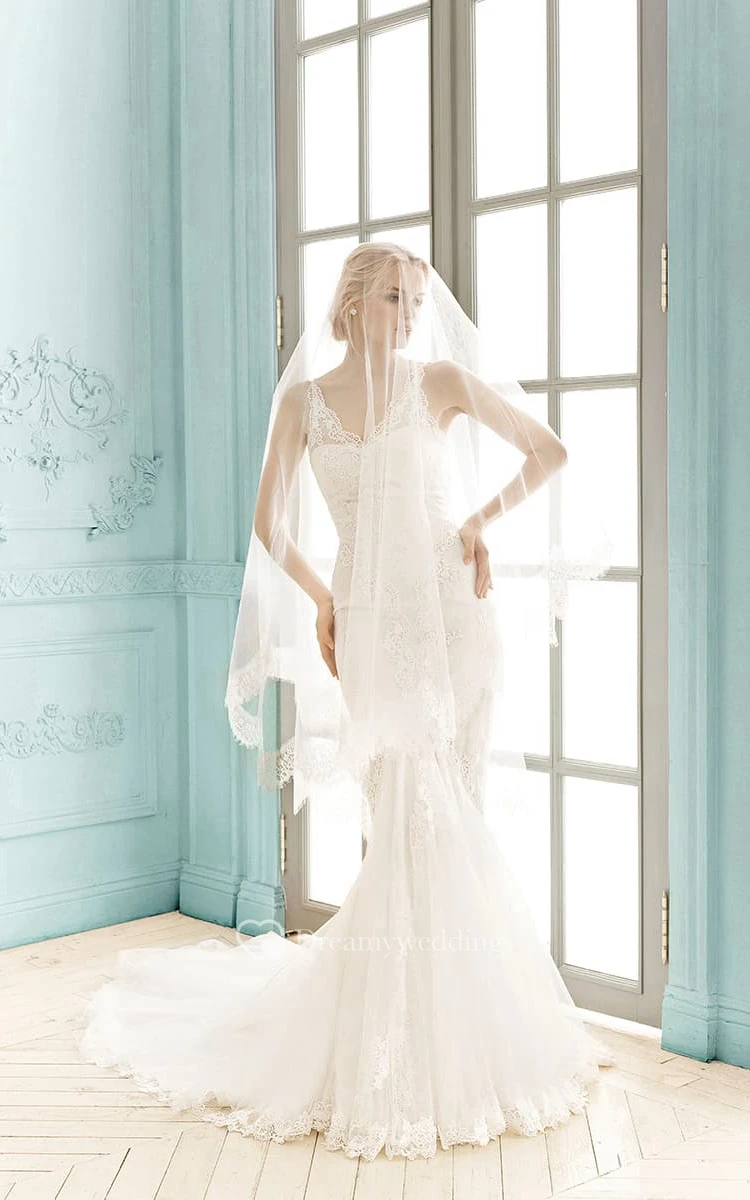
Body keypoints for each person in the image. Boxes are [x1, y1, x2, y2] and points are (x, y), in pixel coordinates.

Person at [77, 243, 615, 1161]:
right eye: (394, 298)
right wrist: (324, 598)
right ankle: (396, 1036)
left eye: (417, 301)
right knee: (401, 814)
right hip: (366, 620)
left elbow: (549, 450)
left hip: (452, 615)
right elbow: (268, 524)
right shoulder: (304, 401)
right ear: (353, 302)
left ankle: (461, 1035)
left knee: (450, 812)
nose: (409, 315)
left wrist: (477, 522)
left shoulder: (439, 381)